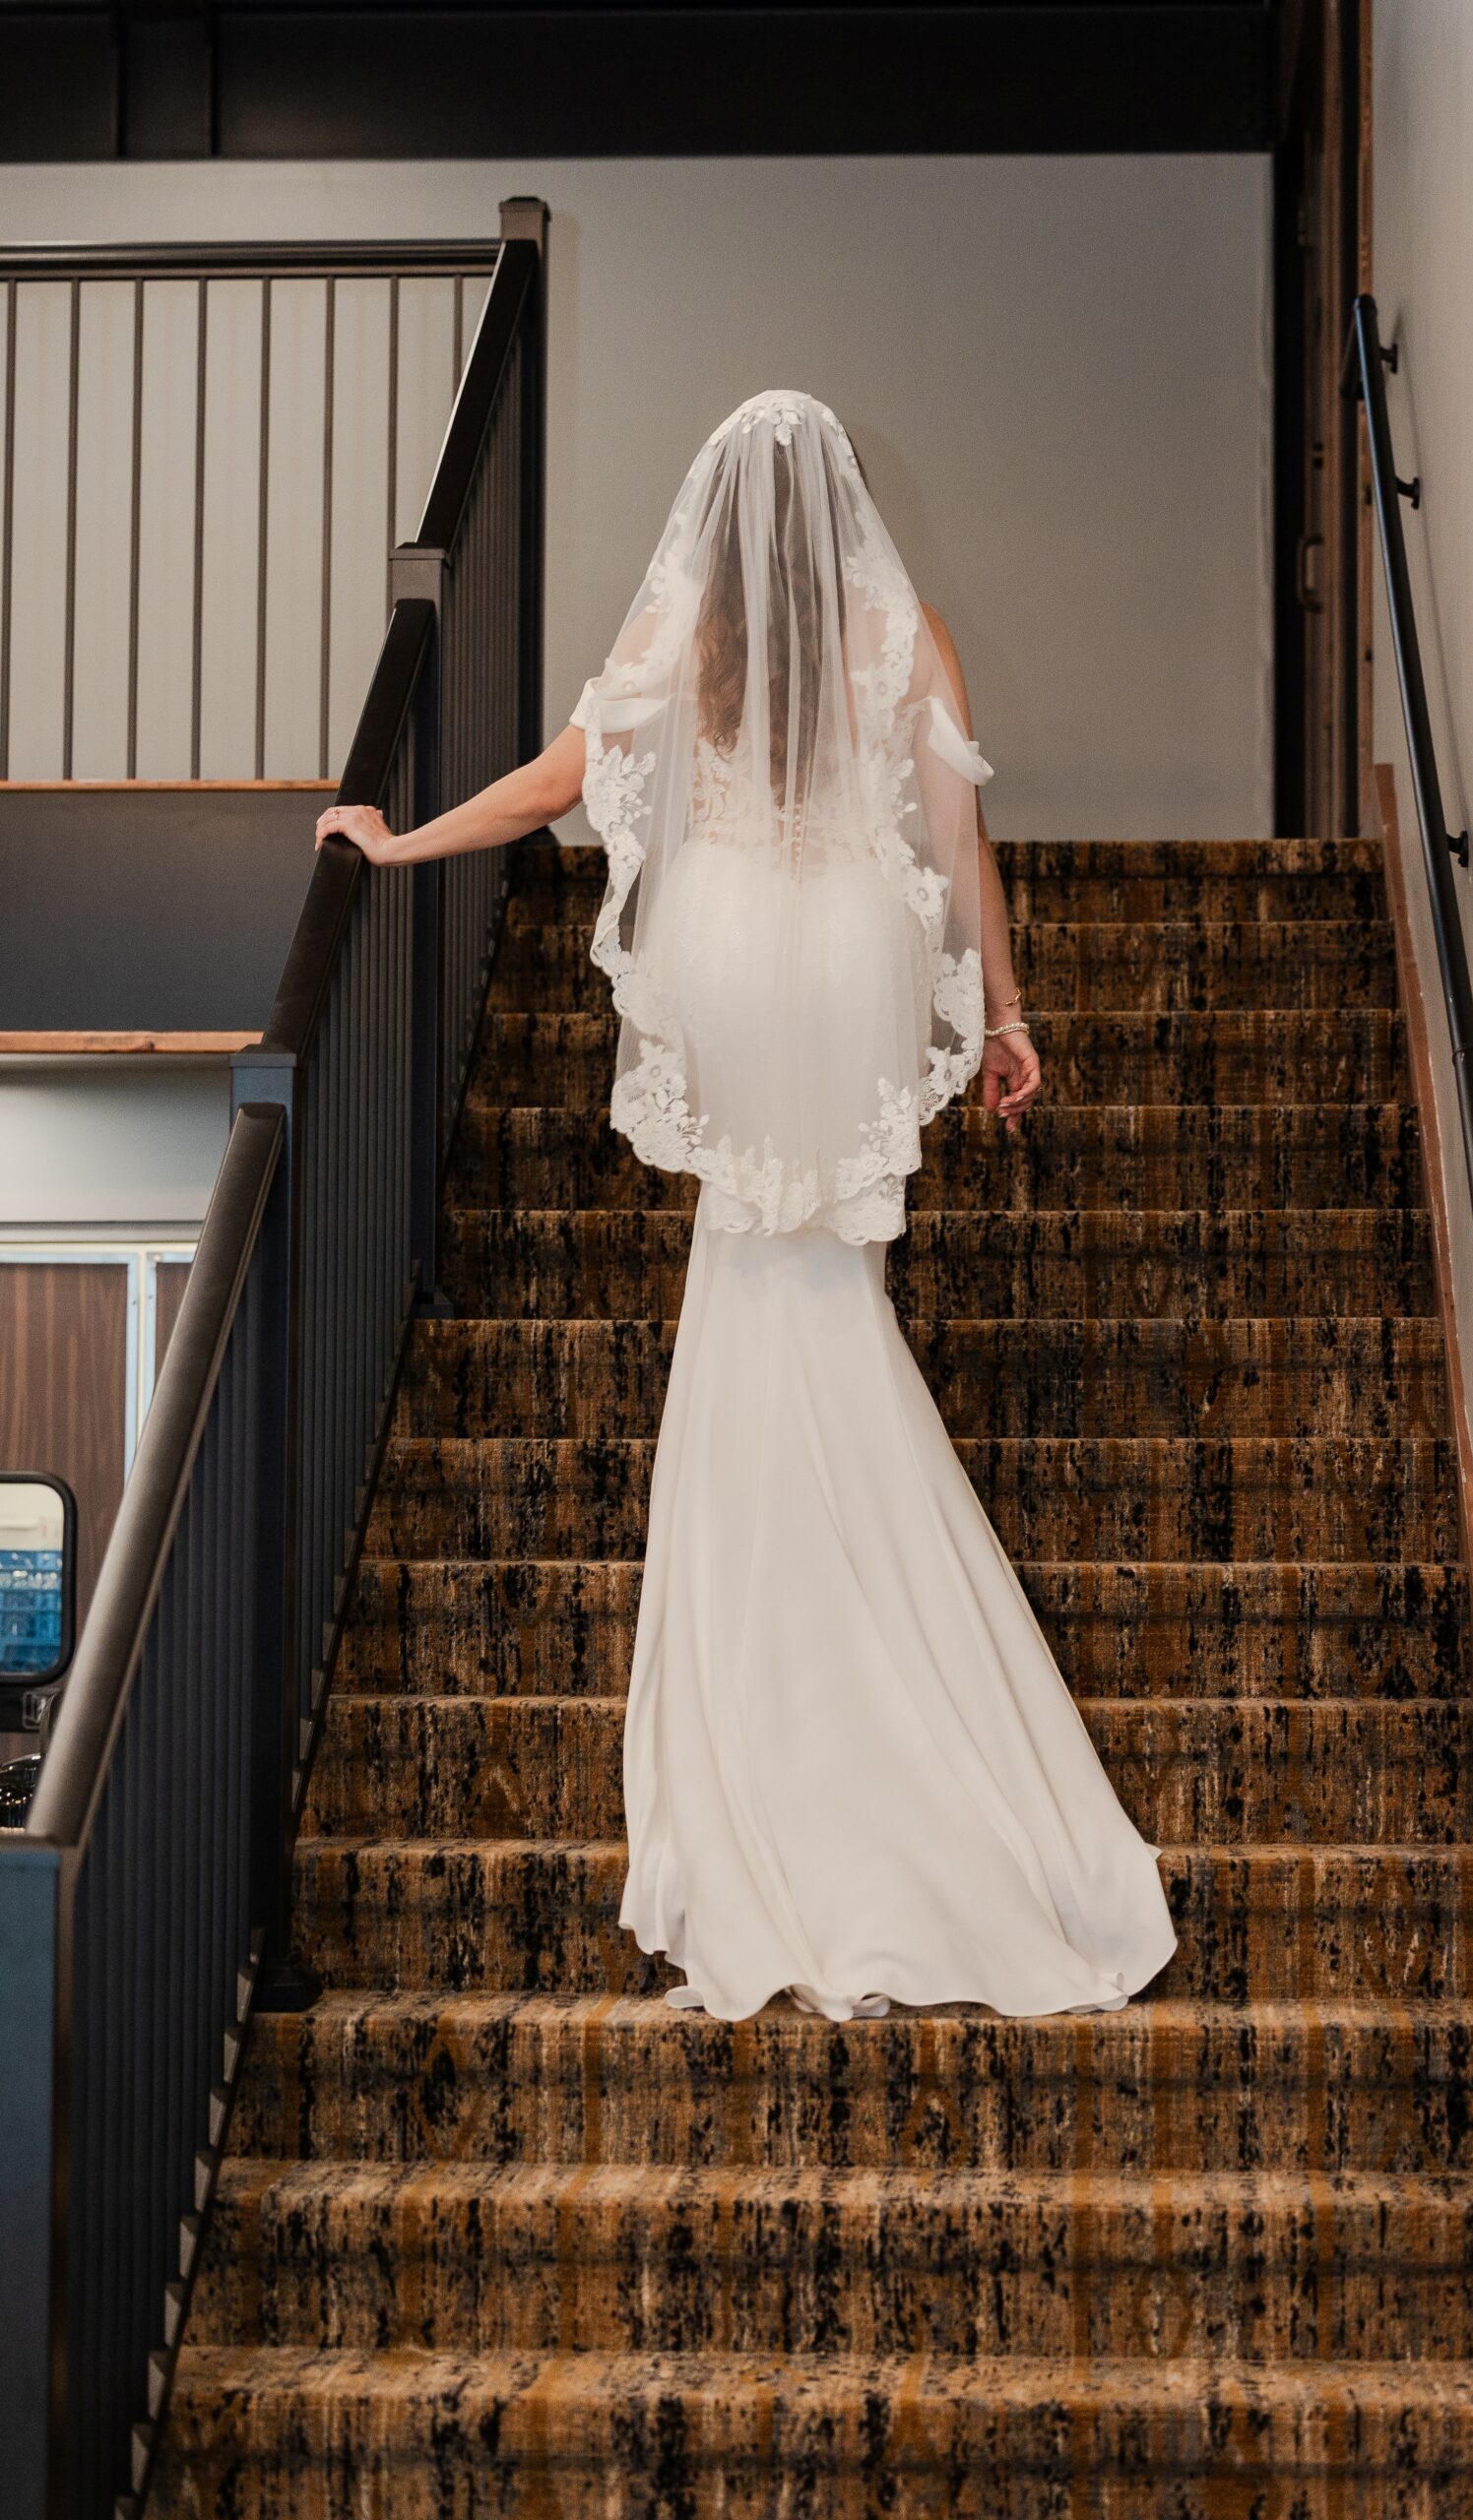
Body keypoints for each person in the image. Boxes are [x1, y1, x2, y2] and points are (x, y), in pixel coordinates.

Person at [317, 387, 1177, 2021]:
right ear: (841, 500)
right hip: (847, 959)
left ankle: (769, 1683)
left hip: (735, 963)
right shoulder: (905, 630)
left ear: (722, 508)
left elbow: (546, 787)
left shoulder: (683, 633)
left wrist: (393, 839)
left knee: (750, 1249)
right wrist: (1005, 1010)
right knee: (825, 1269)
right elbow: (955, 832)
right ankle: (883, 1659)